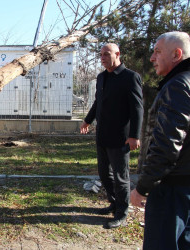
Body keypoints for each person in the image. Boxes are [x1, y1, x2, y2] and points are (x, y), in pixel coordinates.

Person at [130, 31, 190, 249]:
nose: (152, 58)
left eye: (157, 52)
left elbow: (167, 144)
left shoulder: (178, 86)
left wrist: (142, 188)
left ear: (177, 54)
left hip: (171, 190)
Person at [80, 43, 143, 229]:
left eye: (107, 54)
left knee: (120, 176)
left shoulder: (130, 77)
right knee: (104, 174)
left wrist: (134, 135)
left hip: (121, 138)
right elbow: (97, 102)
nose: (103, 57)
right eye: (101, 55)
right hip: (103, 135)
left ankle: (122, 213)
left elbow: (137, 108)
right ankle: (114, 203)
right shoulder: (101, 77)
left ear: (117, 54)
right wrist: (87, 120)